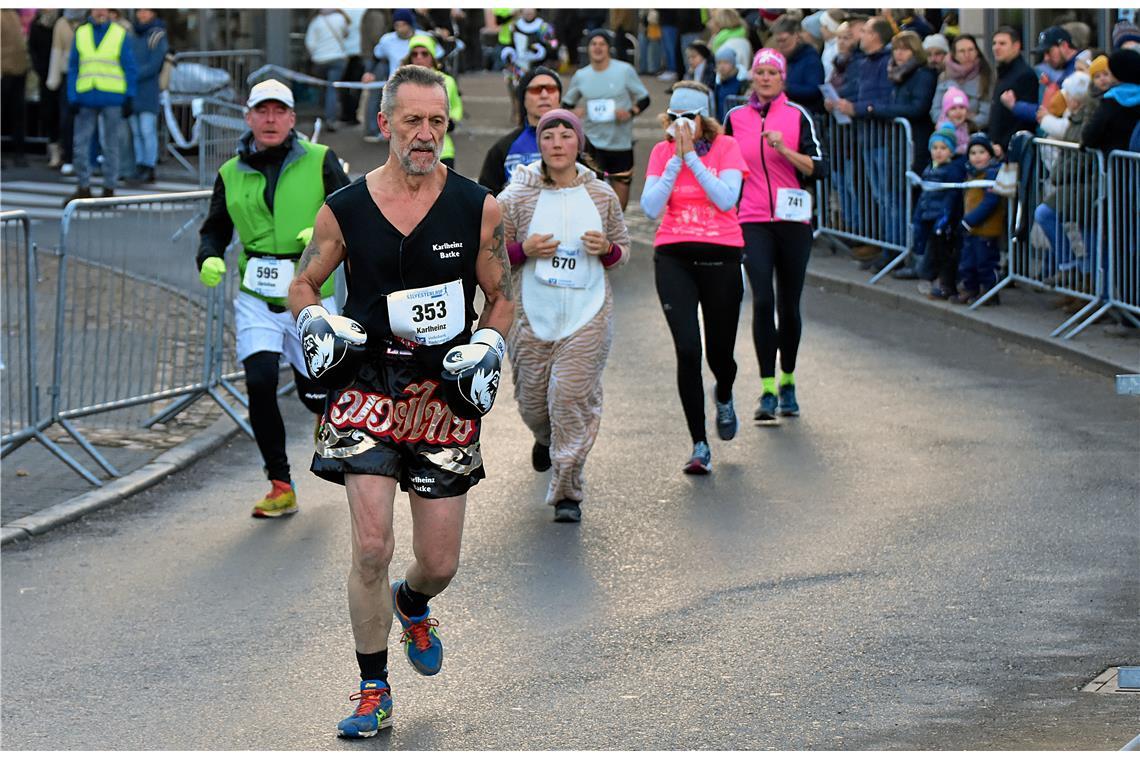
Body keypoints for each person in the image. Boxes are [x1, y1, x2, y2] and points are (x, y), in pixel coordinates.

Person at [287, 64, 514, 738]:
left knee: (438, 562)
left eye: (436, 122)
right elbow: (305, 284)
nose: (425, 134)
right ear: (384, 123)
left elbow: (500, 295)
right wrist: (315, 321)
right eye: (412, 121)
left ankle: (414, 603)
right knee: (370, 546)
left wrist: (491, 345)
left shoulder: (480, 206)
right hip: (366, 389)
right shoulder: (346, 207)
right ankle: (372, 687)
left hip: (443, 392)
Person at [196, 79, 350, 518]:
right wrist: (207, 257)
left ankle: (329, 422)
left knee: (317, 392)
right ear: (248, 117)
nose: (269, 119)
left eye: (278, 111)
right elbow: (215, 229)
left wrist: (320, 236)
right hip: (256, 295)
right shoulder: (230, 172)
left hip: (312, 295)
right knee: (260, 382)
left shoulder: (321, 161)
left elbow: (351, 215)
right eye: (261, 111)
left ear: (291, 119)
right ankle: (280, 484)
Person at [496, 108, 629, 520]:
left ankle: (568, 490)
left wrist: (605, 250)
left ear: (579, 143)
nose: (557, 143)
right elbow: (491, 257)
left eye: (565, 136)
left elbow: (623, 252)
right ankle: (545, 436)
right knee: (535, 404)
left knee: (569, 398)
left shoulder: (602, 195)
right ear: (539, 144)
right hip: (532, 316)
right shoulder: (515, 197)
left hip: (588, 315)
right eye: (548, 136)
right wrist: (524, 251)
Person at [641, 82, 748, 473]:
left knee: (720, 354)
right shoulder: (661, 152)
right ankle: (699, 444)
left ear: (705, 120)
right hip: (674, 255)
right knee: (688, 349)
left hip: (721, 254)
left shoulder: (728, 148)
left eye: (690, 117)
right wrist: (675, 161)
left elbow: (725, 199)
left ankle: (724, 393)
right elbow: (651, 207)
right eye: (675, 117)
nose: (681, 125)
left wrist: (694, 161)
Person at [726, 49, 826, 422]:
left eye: (772, 72)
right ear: (752, 76)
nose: (766, 78)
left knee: (789, 304)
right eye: (760, 72)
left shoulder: (798, 115)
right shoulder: (735, 118)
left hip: (793, 220)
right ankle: (767, 389)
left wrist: (785, 148)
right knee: (763, 301)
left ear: (782, 79)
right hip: (751, 218)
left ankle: (788, 380)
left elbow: (820, 168)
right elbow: (721, 162)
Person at [561, 29, 651, 211]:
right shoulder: (581, 75)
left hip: (620, 144)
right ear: (588, 49)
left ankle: (615, 234)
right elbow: (565, 104)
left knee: (619, 205)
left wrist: (630, 112)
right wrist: (574, 112)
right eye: (593, 44)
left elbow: (644, 99)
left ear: (609, 48)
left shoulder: (624, 71)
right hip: (592, 145)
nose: (597, 48)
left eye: (602, 44)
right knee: (592, 201)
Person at [63, 8, 137, 204]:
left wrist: (130, 95)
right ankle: (83, 187)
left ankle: (109, 188)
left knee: (111, 145)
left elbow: (129, 66)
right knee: (80, 145)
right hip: (86, 96)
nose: (101, 11)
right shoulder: (82, 33)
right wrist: (72, 97)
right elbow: (73, 66)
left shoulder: (119, 34)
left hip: (112, 97)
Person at [478, 65, 562, 196]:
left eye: (551, 89)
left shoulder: (578, 143)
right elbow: (485, 201)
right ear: (523, 98)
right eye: (536, 90)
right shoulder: (503, 148)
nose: (544, 95)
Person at [912, 123, 966, 300]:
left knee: (944, 255)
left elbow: (951, 198)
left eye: (943, 148)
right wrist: (918, 215)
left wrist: (944, 219)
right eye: (935, 147)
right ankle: (934, 280)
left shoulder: (952, 171)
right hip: (929, 216)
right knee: (932, 250)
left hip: (943, 221)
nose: (938, 152)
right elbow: (924, 195)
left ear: (951, 151)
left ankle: (946, 284)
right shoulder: (929, 169)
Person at [956, 132, 1006, 305]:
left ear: (990, 154)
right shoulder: (970, 173)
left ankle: (990, 291)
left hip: (986, 227)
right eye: (973, 153)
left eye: (982, 152)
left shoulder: (993, 173)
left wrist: (970, 220)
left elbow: (990, 202)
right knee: (968, 261)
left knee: (985, 261)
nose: (977, 157)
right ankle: (971, 288)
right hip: (971, 227)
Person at [402, 35, 463, 168]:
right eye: (414, 54)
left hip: (442, 151)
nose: (419, 58)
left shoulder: (447, 81)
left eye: (424, 54)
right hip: (409, 151)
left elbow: (456, 108)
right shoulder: (400, 84)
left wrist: (450, 120)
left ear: (433, 57)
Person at [362, 9, 422, 143]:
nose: (400, 28)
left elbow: (438, 55)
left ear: (410, 24)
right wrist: (369, 72)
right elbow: (376, 56)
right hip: (396, 83)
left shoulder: (422, 37)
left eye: (403, 25)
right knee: (396, 111)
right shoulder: (387, 40)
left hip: (419, 82)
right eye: (397, 25)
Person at [126, 9, 166, 185]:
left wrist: (134, 74)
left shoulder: (157, 35)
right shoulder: (132, 34)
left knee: (146, 130)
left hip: (148, 89)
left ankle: (149, 166)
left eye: (146, 11)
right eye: (140, 11)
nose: (142, 14)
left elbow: (155, 63)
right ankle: (140, 165)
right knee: (136, 131)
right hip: (133, 90)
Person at [990, 25, 1039, 155]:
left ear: (1016, 46)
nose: (996, 47)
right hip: (998, 148)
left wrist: (1005, 145)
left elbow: (1023, 120)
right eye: (994, 43)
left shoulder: (1025, 75)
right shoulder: (1003, 73)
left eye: (1002, 43)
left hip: (1014, 150)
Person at [930, 33, 993, 131]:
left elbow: (986, 114)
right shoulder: (944, 76)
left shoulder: (985, 75)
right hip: (947, 132)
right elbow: (935, 110)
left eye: (971, 50)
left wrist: (965, 125)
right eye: (962, 51)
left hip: (974, 132)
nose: (967, 55)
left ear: (977, 52)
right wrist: (948, 124)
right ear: (955, 55)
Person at [305, 10, 351, 132]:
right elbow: (346, 34)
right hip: (337, 58)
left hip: (320, 60)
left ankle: (322, 115)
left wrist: (316, 55)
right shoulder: (341, 18)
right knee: (332, 89)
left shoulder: (315, 22)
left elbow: (310, 43)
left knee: (323, 88)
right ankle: (331, 119)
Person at [768, 16, 825, 113]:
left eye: (784, 40)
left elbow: (815, 90)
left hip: (806, 116)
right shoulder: (779, 60)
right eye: (778, 41)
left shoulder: (810, 59)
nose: (781, 45)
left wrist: (785, 88)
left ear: (796, 36)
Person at [0, 9, 29, 168]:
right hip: (4, 71)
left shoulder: (14, 13)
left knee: (18, 115)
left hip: (18, 70)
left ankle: (19, 153)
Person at [713, 47, 747, 122]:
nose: (722, 66)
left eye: (726, 62)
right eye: (719, 63)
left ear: (733, 64)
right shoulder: (718, 84)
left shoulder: (742, 83)